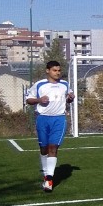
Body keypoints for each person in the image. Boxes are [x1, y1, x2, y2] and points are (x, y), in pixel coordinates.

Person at [25, 61, 75, 192]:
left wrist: (70, 98)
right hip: (43, 119)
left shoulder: (64, 84)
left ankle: (49, 179)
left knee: (53, 147)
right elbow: (28, 100)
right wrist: (39, 100)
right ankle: (45, 172)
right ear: (48, 71)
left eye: (59, 70)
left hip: (59, 119)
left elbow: (68, 98)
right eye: (54, 70)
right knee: (44, 149)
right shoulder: (40, 85)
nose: (57, 73)